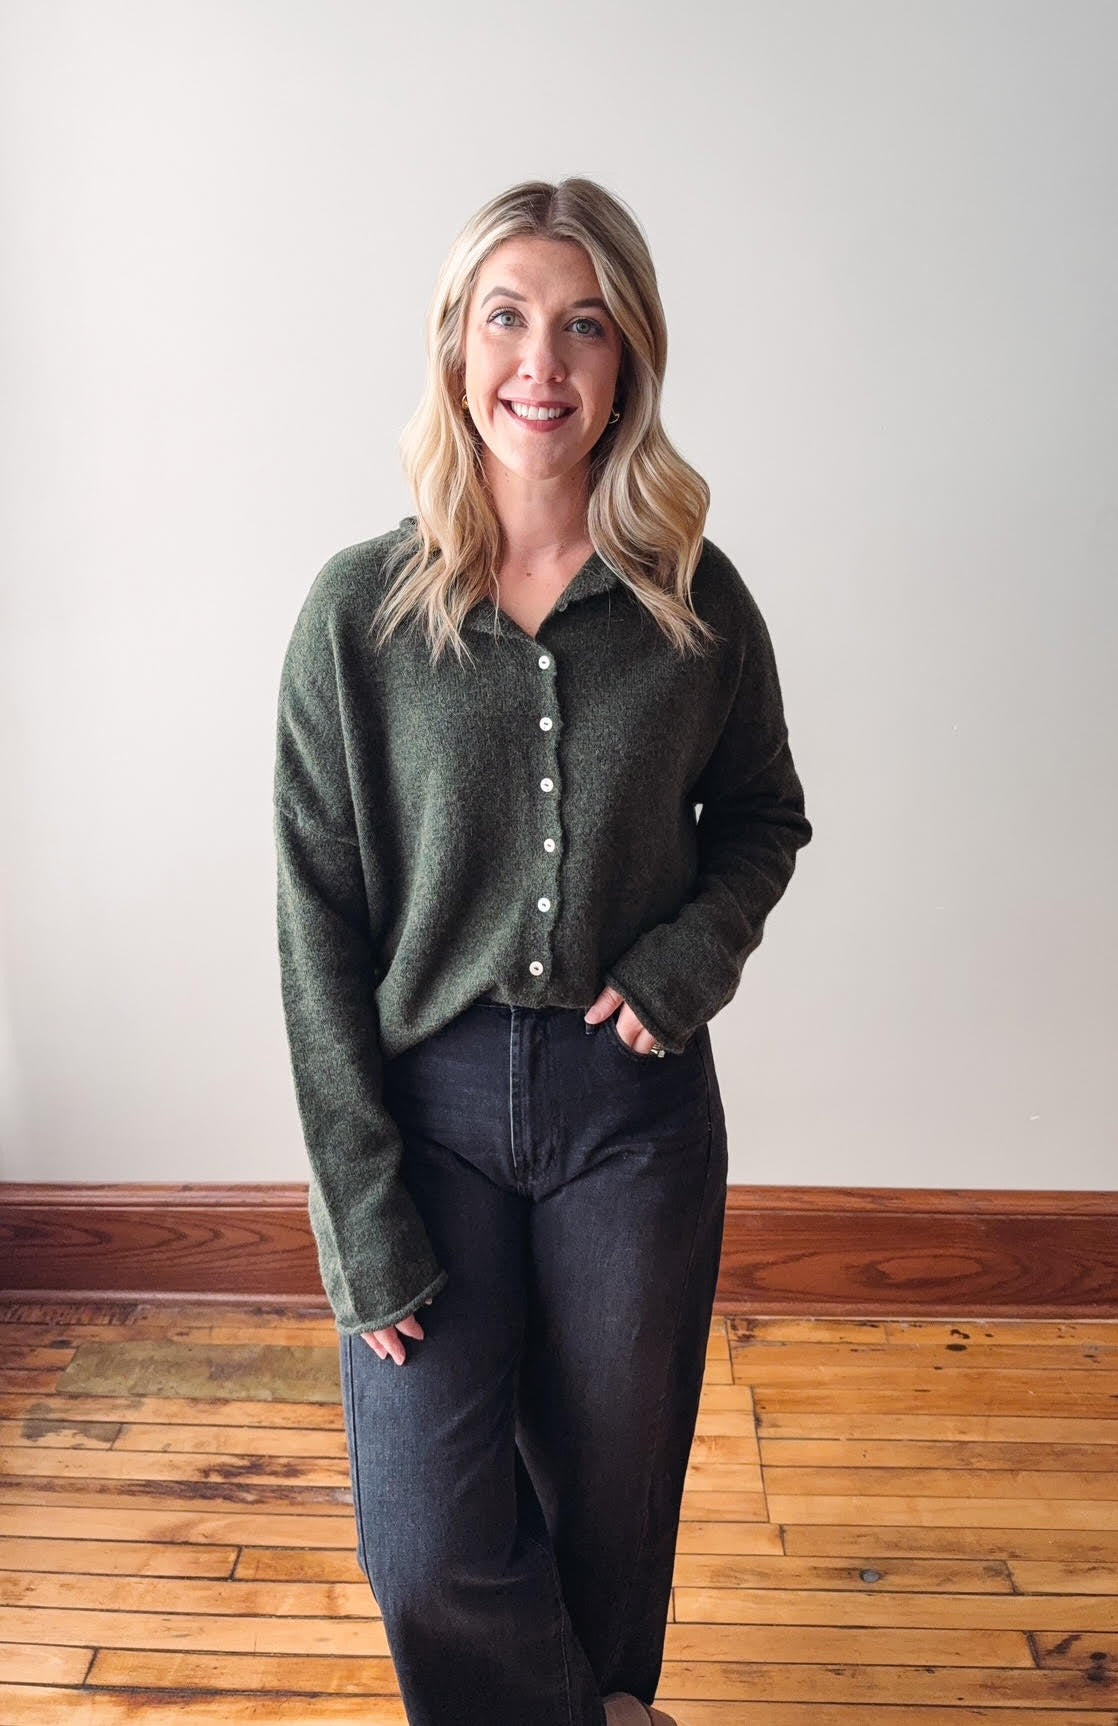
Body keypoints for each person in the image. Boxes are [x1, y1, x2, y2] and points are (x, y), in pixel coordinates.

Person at [273, 177, 812, 1726]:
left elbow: (761, 816)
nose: (541, 362)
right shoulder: (356, 615)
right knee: (426, 1546)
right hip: (426, 1115)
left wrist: (682, 965)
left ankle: (606, 1694)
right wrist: (355, 1208)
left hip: (628, 1114)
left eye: (583, 326)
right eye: (506, 317)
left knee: (606, 1514)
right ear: (455, 347)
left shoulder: (692, 600)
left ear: (627, 358)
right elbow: (315, 923)